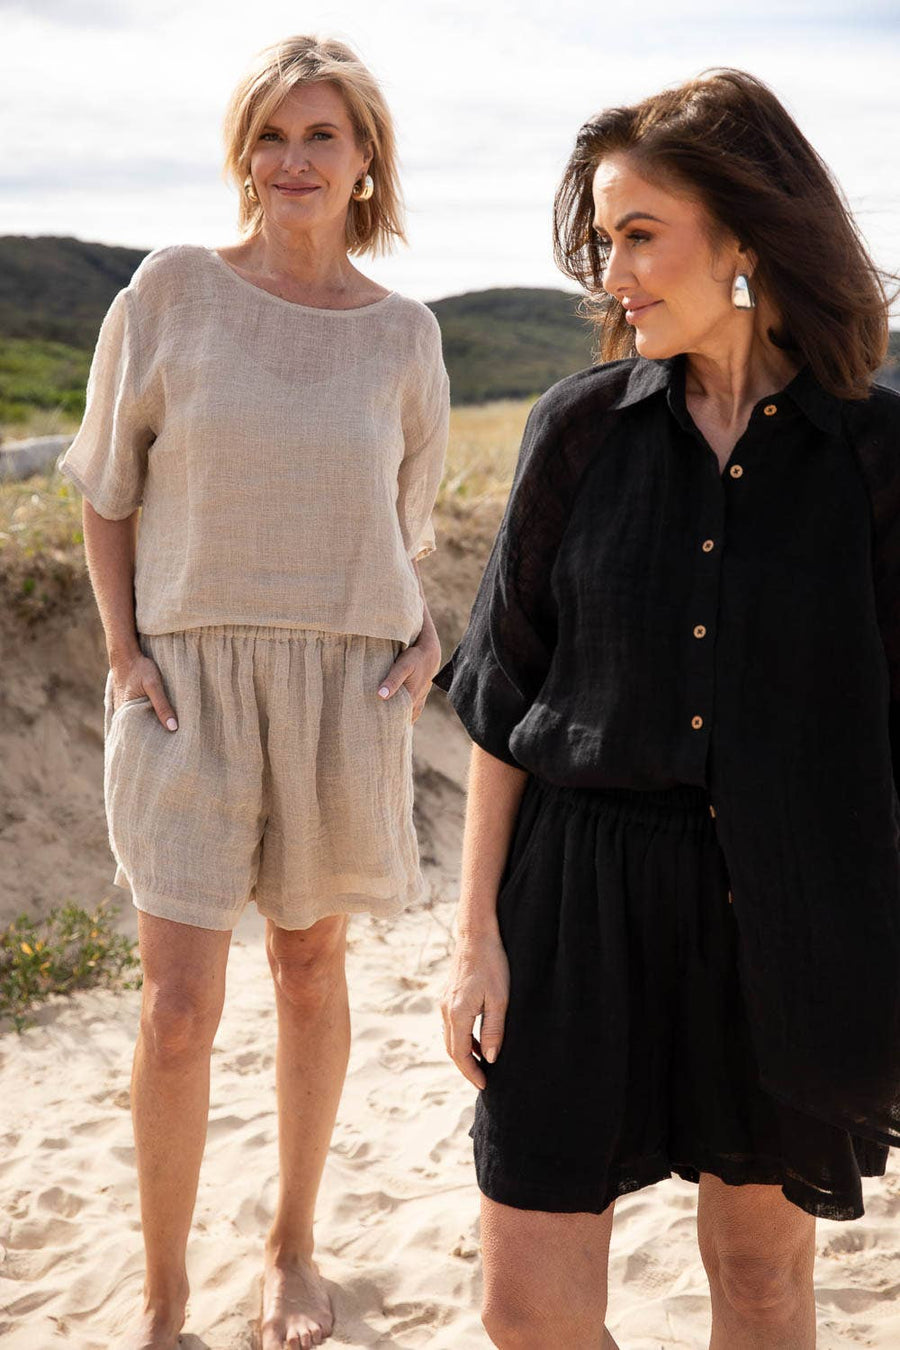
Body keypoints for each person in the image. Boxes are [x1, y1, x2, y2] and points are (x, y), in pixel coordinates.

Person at [433, 68, 900, 1349]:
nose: (614, 270)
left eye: (641, 234)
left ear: (745, 236)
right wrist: (475, 933)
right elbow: (501, 695)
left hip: (784, 912)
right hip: (574, 904)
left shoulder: (874, 454)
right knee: (526, 1308)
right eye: (604, 239)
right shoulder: (576, 431)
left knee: (759, 1277)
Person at [58, 33, 449, 1350]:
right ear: (245, 153)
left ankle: (292, 1248)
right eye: (274, 134)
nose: (294, 159)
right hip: (187, 687)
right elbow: (106, 489)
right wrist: (123, 652)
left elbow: (406, 525)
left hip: (347, 691)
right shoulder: (171, 291)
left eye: (322, 135)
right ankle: (165, 1300)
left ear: (364, 161)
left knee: (308, 966)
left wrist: (424, 637)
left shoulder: (407, 332)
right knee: (177, 1012)